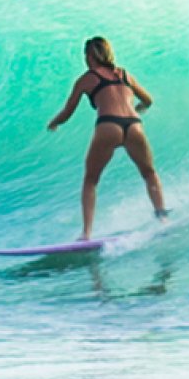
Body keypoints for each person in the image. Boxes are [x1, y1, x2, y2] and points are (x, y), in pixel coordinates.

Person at [47, 36, 168, 240]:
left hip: (108, 125)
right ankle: (162, 217)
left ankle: (86, 234)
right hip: (134, 125)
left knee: (91, 180)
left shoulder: (87, 79)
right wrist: (138, 109)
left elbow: (68, 111)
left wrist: (54, 122)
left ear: (89, 56)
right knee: (149, 173)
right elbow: (148, 100)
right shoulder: (124, 75)